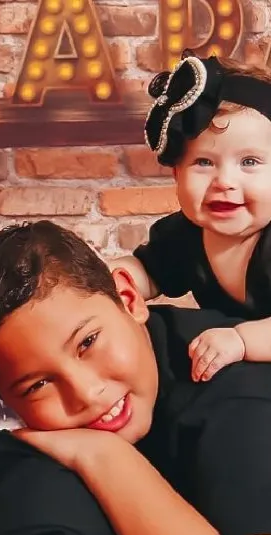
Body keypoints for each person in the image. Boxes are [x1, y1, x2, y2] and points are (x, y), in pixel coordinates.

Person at [0, 219, 271, 535]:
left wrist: (100, 456)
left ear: (129, 298)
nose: (86, 393)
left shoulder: (235, 394)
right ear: (4, 401)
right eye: (37, 386)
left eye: (88, 343)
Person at [108, 54, 271, 383]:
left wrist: (242, 340)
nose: (224, 181)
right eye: (204, 163)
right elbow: (150, 272)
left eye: (250, 162)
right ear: (176, 174)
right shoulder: (184, 235)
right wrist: (112, 280)